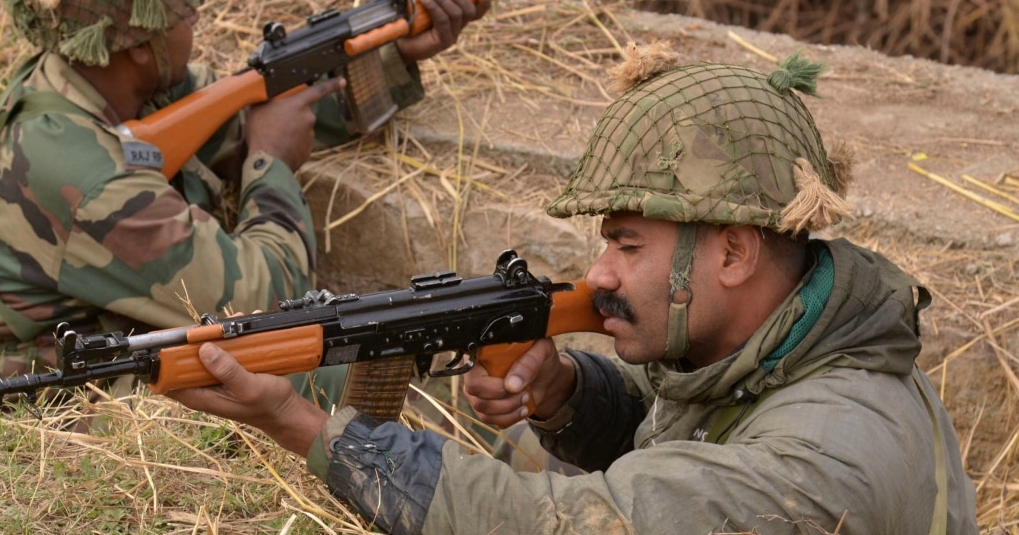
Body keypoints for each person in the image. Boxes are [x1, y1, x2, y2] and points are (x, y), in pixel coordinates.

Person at [167, 46, 979, 534]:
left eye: (628, 245)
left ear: (733, 251)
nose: (600, 275)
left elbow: (562, 526)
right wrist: (567, 395)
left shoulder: (823, 458)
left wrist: (304, 424)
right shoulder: (775, 339)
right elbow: (686, 439)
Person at [0, 0, 490, 403]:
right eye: (182, 11)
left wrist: (394, 57)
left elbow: (245, 119)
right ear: (136, 45)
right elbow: (266, 303)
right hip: (30, 390)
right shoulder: (86, 180)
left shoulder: (86, 79)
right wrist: (271, 166)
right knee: (341, 386)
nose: (196, 15)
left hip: (94, 338)